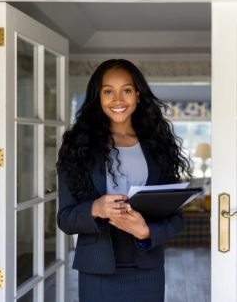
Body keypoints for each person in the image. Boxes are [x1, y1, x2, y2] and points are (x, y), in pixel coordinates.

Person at [56, 59, 191, 302]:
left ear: (138, 95)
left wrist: (147, 231)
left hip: (147, 271)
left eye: (126, 90)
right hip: (97, 272)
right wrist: (95, 208)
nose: (118, 99)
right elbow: (65, 219)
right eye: (108, 92)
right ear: (98, 97)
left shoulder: (157, 145)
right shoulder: (76, 147)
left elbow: (177, 218)